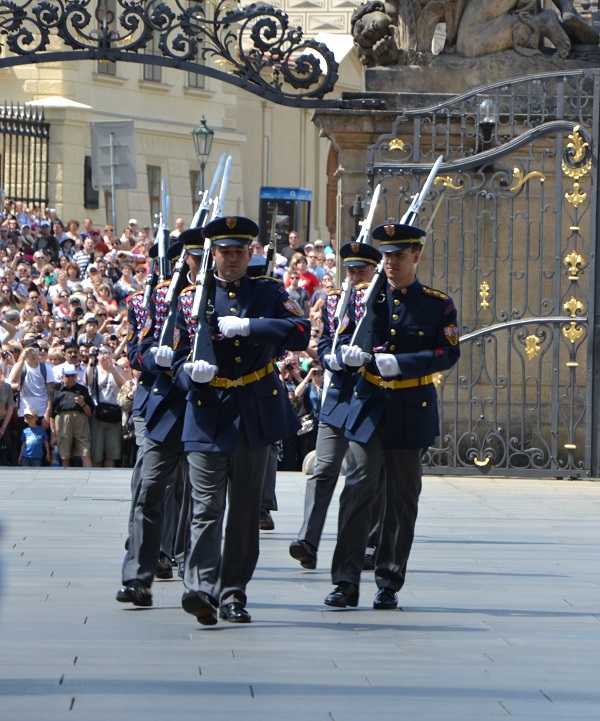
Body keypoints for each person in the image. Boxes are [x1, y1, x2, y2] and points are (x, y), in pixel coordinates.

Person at [171, 215, 310, 625]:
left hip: (253, 408)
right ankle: (201, 587)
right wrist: (187, 373)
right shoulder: (190, 298)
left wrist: (251, 326)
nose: (231, 259)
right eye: (223, 252)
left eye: (238, 252)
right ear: (211, 254)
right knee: (205, 507)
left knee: (246, 511)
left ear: (250, 253)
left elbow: (300, 332)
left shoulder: (267, 293)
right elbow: (176, 356)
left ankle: (233, 593)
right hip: (207, 410)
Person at [323, 223, 460, 610]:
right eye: (386, 256)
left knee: (402, 500)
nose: (391, 263)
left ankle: (388, 581)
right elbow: (339, 341)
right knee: (357, 490)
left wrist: (401, 363)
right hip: (368, 405)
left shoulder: (437, 304)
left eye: (398, 256)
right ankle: (346, 582)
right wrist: (345, 358)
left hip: (409, 407)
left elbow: (447, 353)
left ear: (415, 255)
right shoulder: (365, 299)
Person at [289, 241, 381, 569]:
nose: (356, 276)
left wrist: (370, 358)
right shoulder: (334, 302)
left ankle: (368, 545)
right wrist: (332, 358)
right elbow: (327, 339)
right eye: (351, 271)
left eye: (362, 271)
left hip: (370, 394)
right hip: (340, 395)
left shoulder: (383, 300)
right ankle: (308, 539)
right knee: (324, 469)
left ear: (375, 270)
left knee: (363, 476)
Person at [49, 363, 93, 467]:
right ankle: (65, 478)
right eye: (67, 376)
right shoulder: (55, 390)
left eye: (73, 376)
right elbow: (52, 415)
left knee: (85, 452)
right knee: (65, 454)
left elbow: (89, 413)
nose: (71, 378)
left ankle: (90, 475)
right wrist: (53, 435)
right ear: (62, 377)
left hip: (80, 420)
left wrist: (83, 404)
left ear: (76, 376)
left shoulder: (82, 389)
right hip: (62, 420)